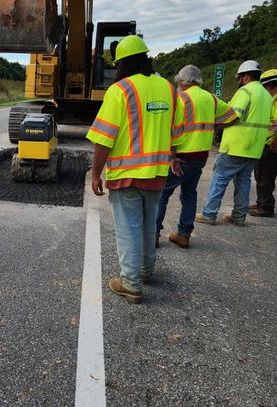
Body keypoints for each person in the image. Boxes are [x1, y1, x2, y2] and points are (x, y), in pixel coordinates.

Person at [86, 35, 181, 304]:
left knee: (128, 228)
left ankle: (130, 283)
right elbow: (177, 131)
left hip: (127, 175)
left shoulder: (120, 90)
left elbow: (105, 137)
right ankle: (145, 271)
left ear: (121, 64)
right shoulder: (167, 88)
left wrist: (95, 174)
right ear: (147, 59)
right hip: (157, 173)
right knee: (149, 224)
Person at [155, 65, 237, 248]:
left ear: (183, 81)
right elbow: (233, 117)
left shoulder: (180, 98)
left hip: (182, 156)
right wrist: (214, 128)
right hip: (201, 156)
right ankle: (184, 235)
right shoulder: (211, 98)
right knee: (189, 194)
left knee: (162, 194)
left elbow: (173, 128)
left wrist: (171, 155)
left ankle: (153, 234)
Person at [196, 60, 272, 226]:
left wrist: (216, 127)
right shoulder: (267, 95)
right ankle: (239, 216)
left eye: (239, 77)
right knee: (244, 182)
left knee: (219, 179)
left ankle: (209, 213)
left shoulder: (245, 91)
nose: (238, 80)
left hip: (236, 145)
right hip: (255, 147)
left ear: (245, 76)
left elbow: (233, 115)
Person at [249, 69, 277, 217]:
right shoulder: (272, 100)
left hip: (271, 145)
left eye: (265, 88)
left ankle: (266, 206)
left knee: (265, 177)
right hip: (265, 143)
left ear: (271, 85)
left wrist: (274, 142)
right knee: (260, 175)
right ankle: (261, 201)